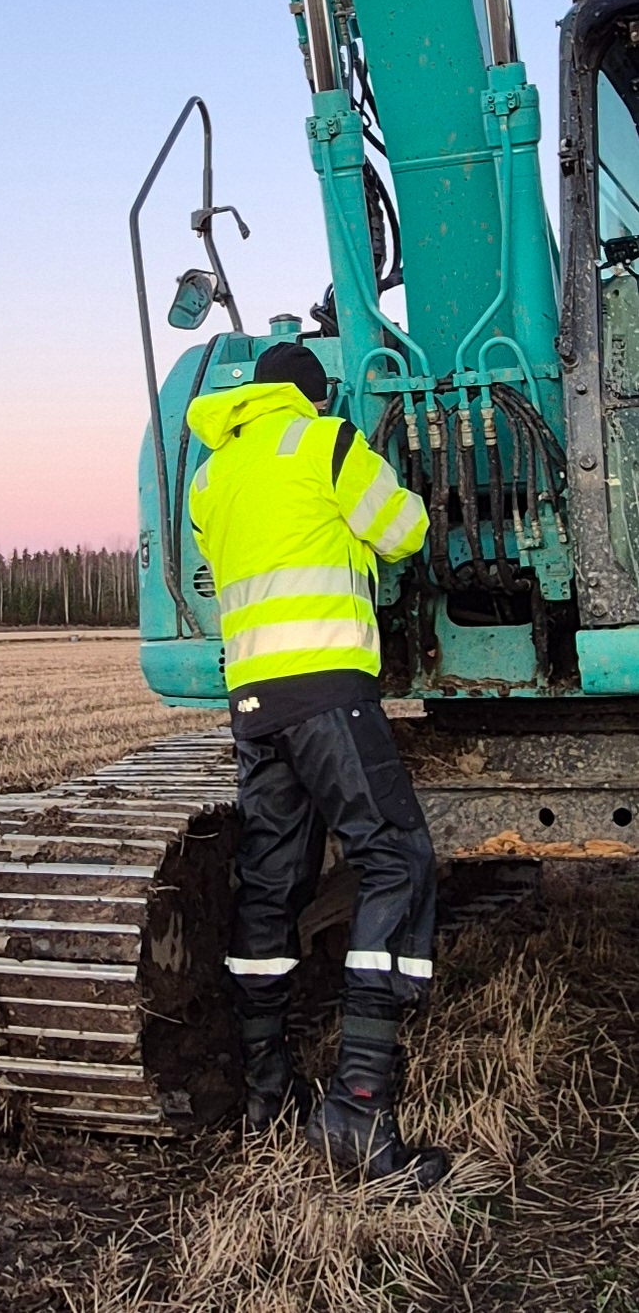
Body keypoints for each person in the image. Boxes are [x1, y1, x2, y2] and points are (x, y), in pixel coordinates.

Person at [187, 340, 448, 1189]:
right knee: (394, 858)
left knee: (272, 882)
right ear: (315, 393)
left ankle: (269, 1094)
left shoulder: (212, 475)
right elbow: (403, 531)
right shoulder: (327, 441)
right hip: (329, 686)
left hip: (254, 701)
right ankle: (360, 1110)